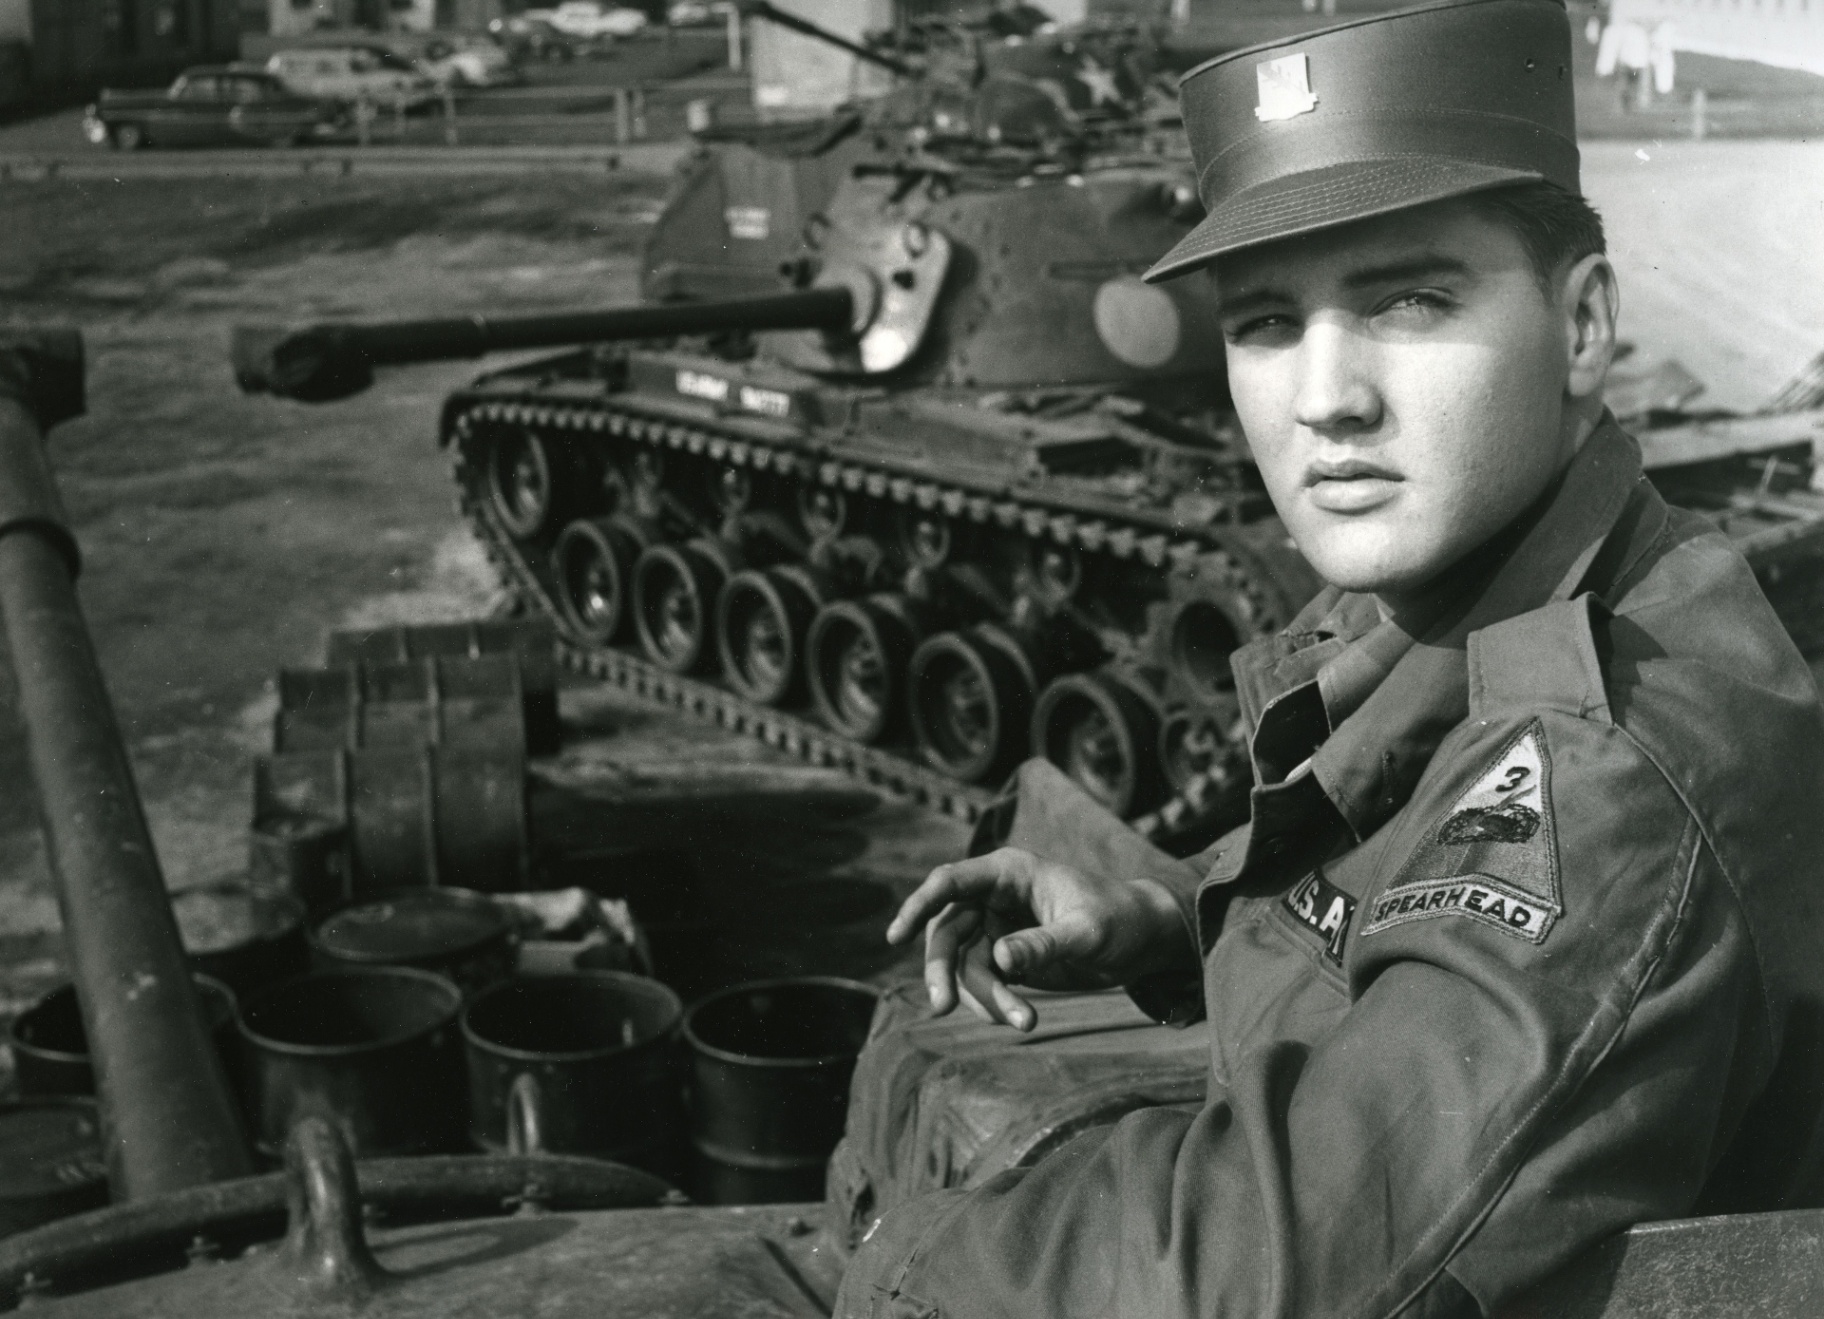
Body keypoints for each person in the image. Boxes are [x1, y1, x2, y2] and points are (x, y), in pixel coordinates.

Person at [834, 1, 1824, 1315]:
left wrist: (879, 1238)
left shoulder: (1606, 767)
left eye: (1410, 300)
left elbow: (1248, 1283)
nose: (1325, 401)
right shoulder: (1483, 594)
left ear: (1583, 326)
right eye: (1263, 323)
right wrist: (1175, 919)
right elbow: (1409, 897)